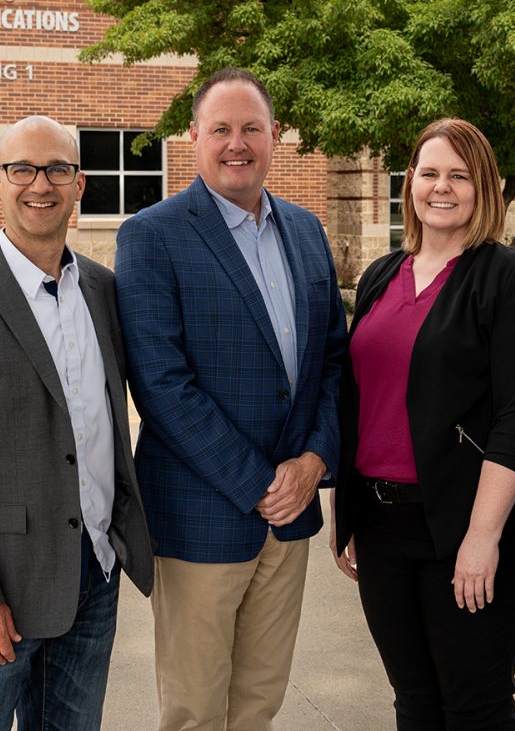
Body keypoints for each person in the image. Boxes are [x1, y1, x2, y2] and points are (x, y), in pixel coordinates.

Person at [0, 115, 155, 730]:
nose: (40, 184)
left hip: (91, 576)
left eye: (57, 169)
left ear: (79, 184)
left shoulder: (101, 289)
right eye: (22, 169)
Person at [114, 67, 346, 731]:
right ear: (193, 138)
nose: (236, 143)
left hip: (291, 512)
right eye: (221, 129)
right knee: (194, 709)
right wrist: (258, 484)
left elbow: (333, 359)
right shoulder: (153, 236)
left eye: (251, 129)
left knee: (258, 702)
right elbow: (161, 385)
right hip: (201, 518)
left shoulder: (304, 231)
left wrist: (312, 465)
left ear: (276, 137)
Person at [331, 118, 515, 730]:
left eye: (459, 175)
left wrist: (482, 538)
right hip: (381, 528)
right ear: (409, 185)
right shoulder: (380, 276)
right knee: (415, 701)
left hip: (464, 526)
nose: (442, 187)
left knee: (474, 706)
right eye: (429, 173)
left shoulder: (508, 278)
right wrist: (346, 513)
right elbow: (358, 400)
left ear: (483, 187)